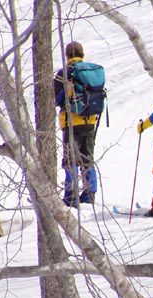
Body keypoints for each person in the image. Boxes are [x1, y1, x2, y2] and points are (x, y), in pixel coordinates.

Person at [54, 41, 99, 207]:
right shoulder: (91, 72)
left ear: (67, 56)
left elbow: (56, 98)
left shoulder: (64, 73)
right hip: (90, 121)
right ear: (82, 54)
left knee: (70, 160)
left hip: (70, 122)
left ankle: (71, 196)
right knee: (88, 159)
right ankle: (89, 194)